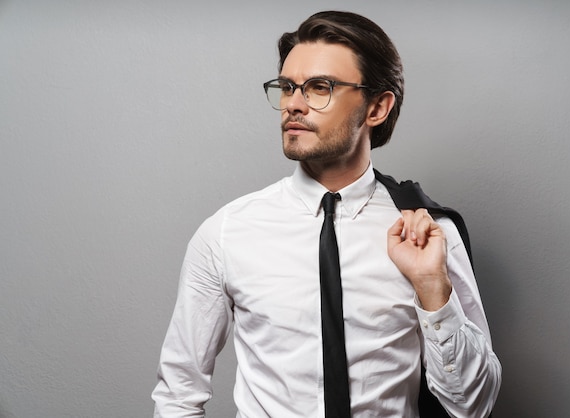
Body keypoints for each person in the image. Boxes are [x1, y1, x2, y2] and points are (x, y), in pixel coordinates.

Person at [152, 10, 501, 418]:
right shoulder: (227, 233)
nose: (293, 106)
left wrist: (432, 288)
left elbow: (473, 406)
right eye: (287, 87)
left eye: (319, 87)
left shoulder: (427, 232)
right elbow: (178, 394)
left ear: (377, 108)